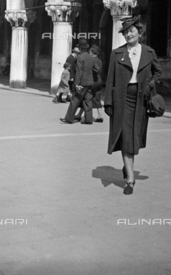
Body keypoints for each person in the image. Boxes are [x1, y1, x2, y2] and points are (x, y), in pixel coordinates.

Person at [104, 16, 162, 195]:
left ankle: (127, 167)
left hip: (141, 100)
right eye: (125, 32)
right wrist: (108, 102)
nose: (128, 34)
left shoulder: (149, 52)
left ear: (139, 31)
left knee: (134, 137)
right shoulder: (117, 53)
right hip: (122, 100)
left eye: (131, 31)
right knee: (126, 137)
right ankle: (130, 180)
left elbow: (158, 73)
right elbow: (110, 79)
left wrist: (150, 85)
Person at [60, 39, 96, 124]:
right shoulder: (91, 57)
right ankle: (88, 119)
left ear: (80, 48)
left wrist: (76, 84)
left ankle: (69, 118)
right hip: (90, 82)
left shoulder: (80, 57)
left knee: (75, 99)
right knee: (88, 100)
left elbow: (79, 71)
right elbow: (96, 68)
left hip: (82, 83)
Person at [75, 44, 104, 123]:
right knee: (97, 98)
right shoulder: (100, 60)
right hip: (99, 81)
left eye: (90, 51)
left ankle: (81, 116)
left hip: (92, 81)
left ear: (92, 51)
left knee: (86, 98)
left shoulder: (92, 60)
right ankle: (100, 116)